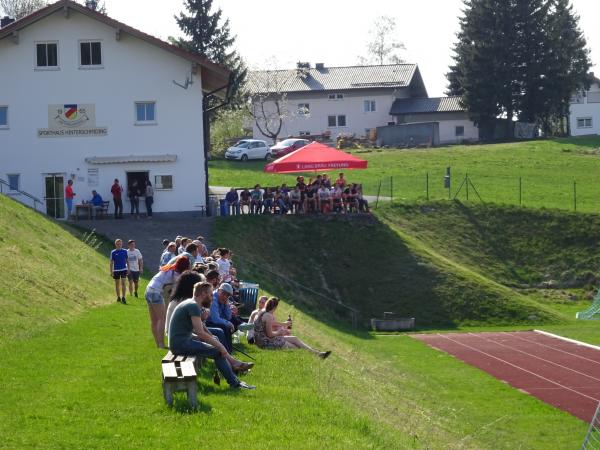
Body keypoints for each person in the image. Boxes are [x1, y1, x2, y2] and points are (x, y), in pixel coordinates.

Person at [168, 281, 255, 389]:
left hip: (183, 340)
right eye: (210, 294)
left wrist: (213, 338)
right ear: (203, 294)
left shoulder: (192, 304)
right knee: (218, 352)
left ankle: (234, 367)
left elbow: (202, 327)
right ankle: (235, 382)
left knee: (216, 340)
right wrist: (220, 346)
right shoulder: (193, 306)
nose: (211, 297)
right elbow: (200, 333)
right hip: (180, 344)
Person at [254, 297, 331, 358]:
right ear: (275, 307)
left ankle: (318, 353)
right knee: (295, 347)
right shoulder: (269, 316)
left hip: (261, 340)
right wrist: (279, 332)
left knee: (295, 338)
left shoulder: (263, 312)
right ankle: (316, 355)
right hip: (264, 343)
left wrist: (283, 325)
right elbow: (270, 335)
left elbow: (269, 325)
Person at [144, 257, 190, 348]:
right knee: (162, 318)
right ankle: (161, 344)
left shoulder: (168, 268)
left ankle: (158, 344)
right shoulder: (177, 275)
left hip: (148, 290)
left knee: (154, 320)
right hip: (156, 292)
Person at [206, 283, 237, 353]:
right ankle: (227, 352)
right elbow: (215, 319)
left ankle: (228, 352)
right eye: (224, 293)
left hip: (213, 322)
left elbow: (229, 317)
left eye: (228, 295)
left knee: (230, 323)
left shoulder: (224, 300)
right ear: (218, 290)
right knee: (224, 327)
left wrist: (226, 305)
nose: (225, 296)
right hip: (207, 323)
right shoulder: (213, 299)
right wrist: (228, 323)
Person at [109, 239, 129, 304]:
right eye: (117, 244)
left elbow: (127, 261)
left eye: (120, 244)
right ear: (115, 244)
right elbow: (111, 262)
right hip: (116, 270)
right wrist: (111, 271)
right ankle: (118, 297)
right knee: (117, 284)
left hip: (123, 269)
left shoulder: (125, 251)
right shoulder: (113, 252)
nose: (119, 245)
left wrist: (128, 269)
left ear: (122, 244)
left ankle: (123, 297)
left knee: (123, 283)